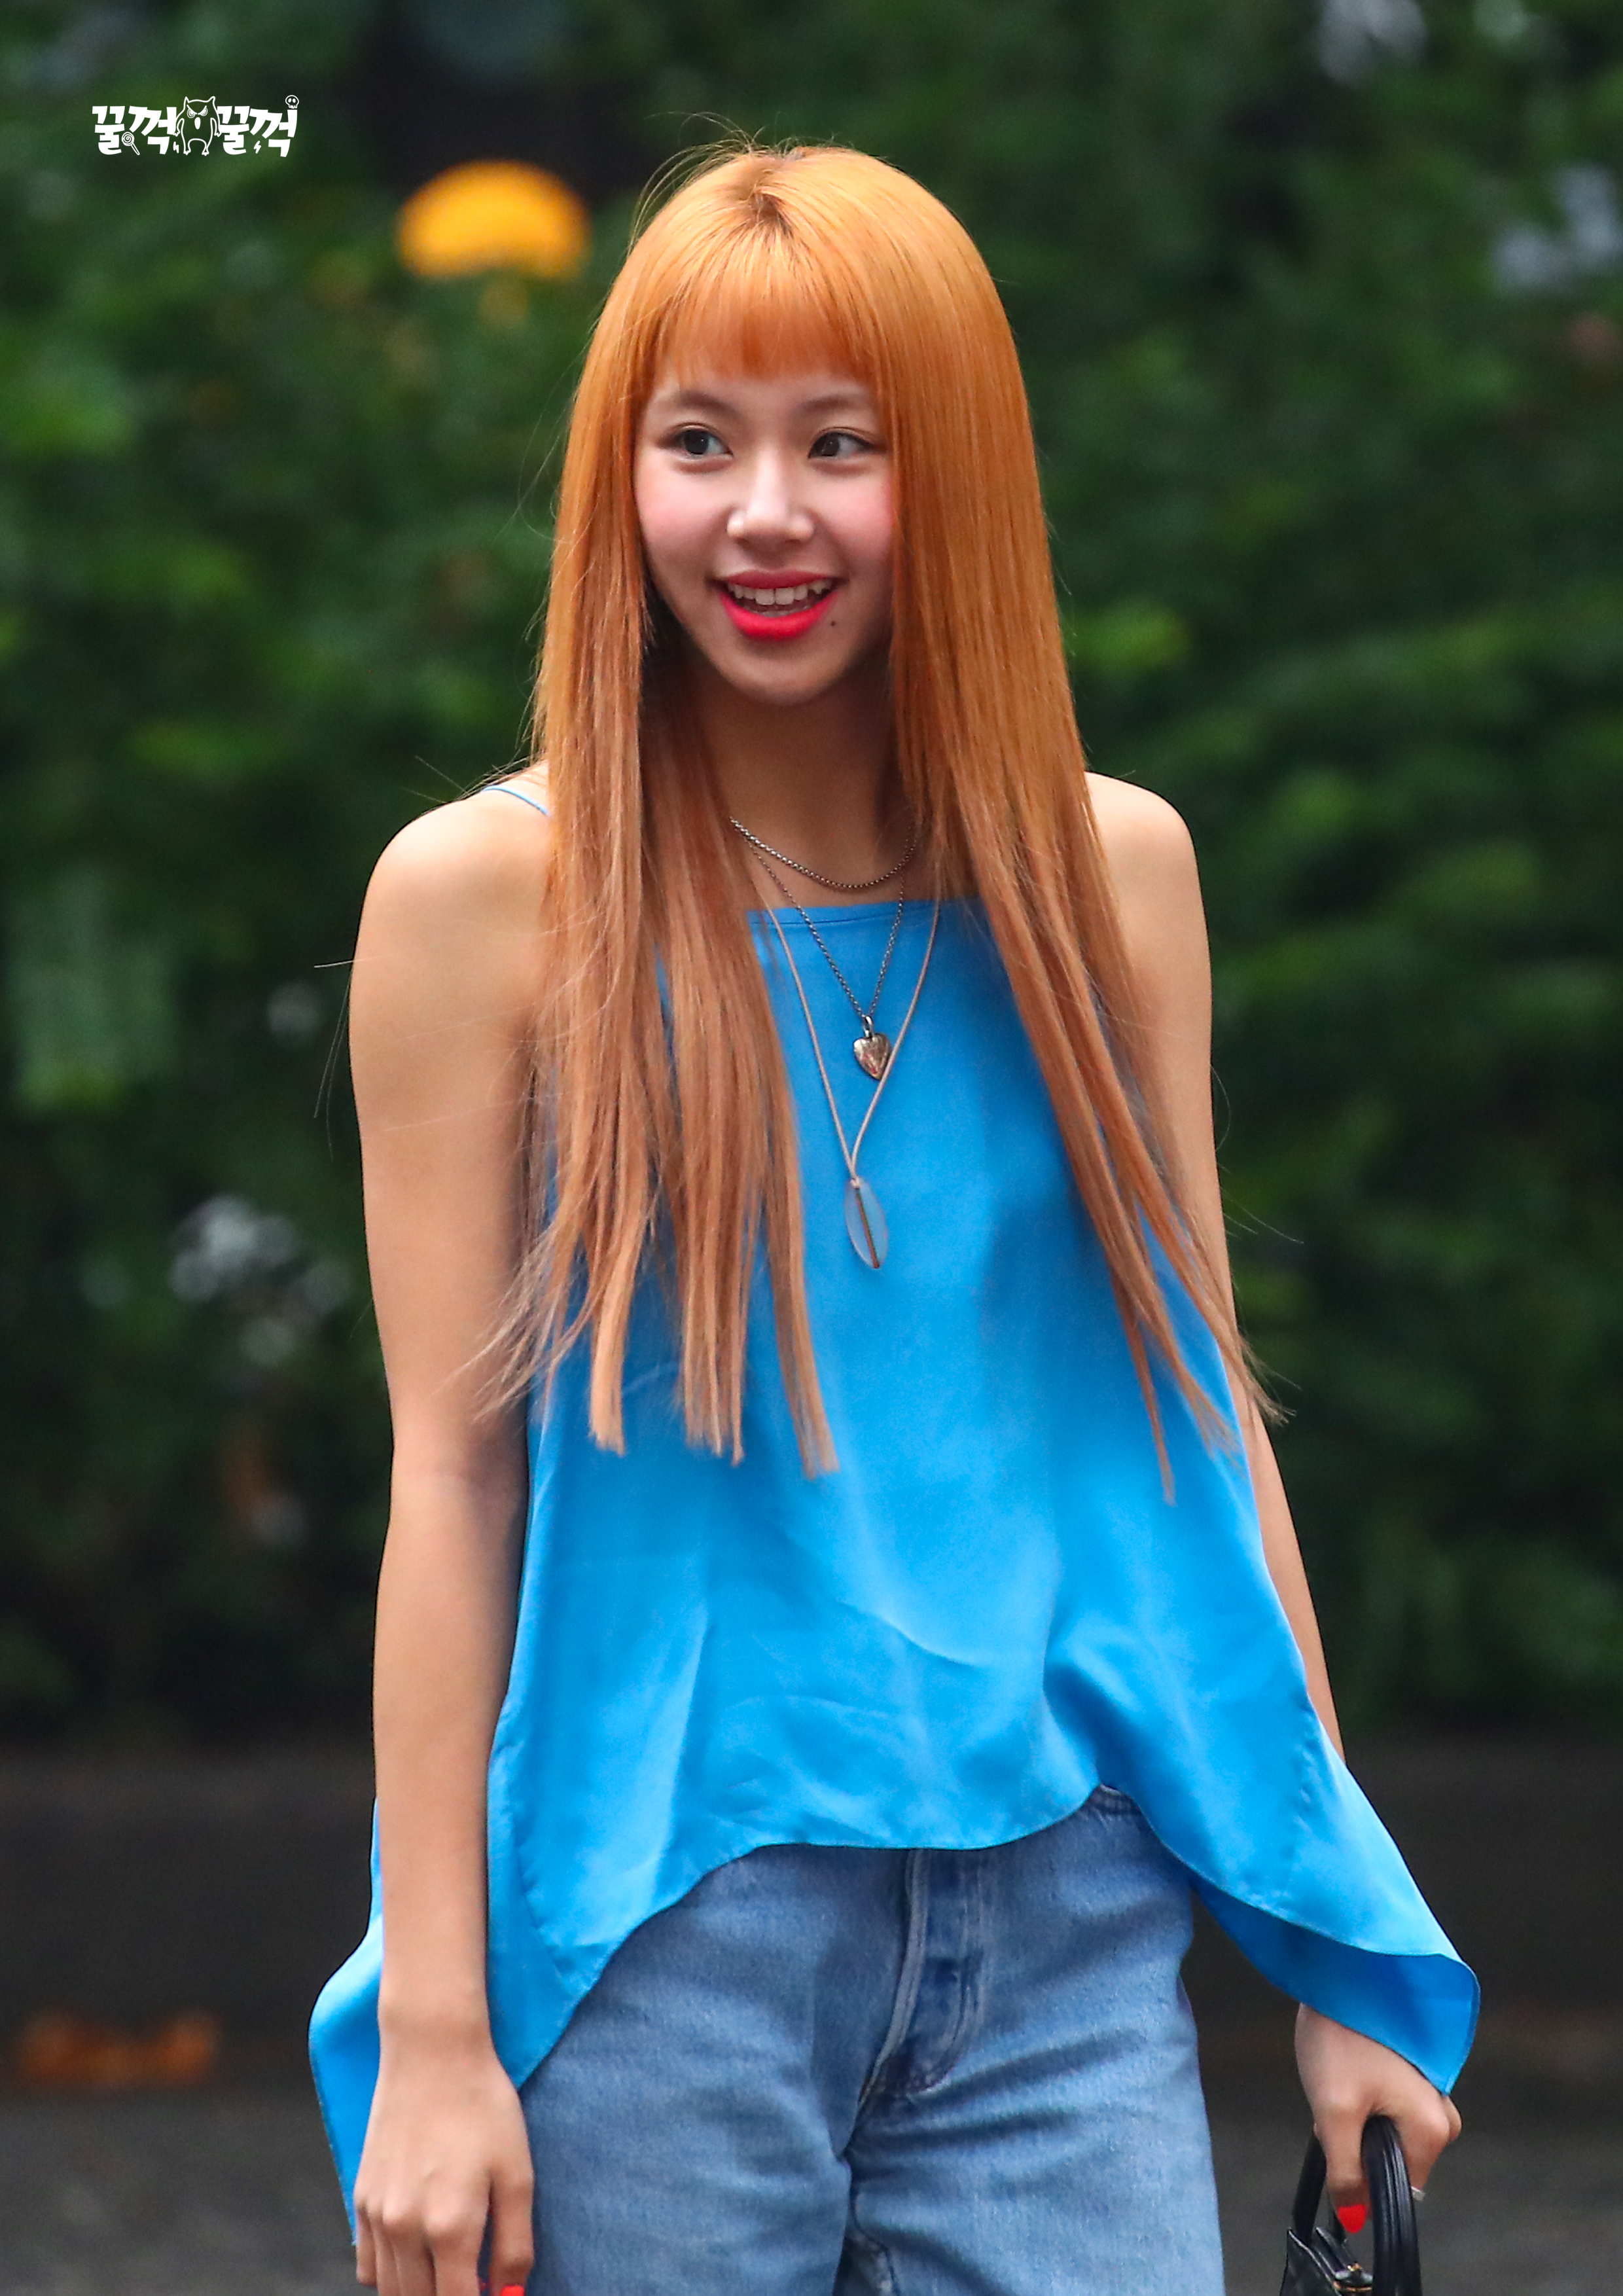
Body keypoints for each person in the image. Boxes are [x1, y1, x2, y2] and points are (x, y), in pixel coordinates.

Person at [311, 145, 1474, 2296]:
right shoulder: (483, 902)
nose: (765, 513)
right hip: (651, 1941)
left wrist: (1343, 1939)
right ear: (619, 478)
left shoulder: (1110, 882)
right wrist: (436, 2039)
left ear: (960, 480)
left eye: (842, 444)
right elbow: (453, 1481)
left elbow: (1201, 1430)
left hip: (1065, 1939)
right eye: (699, 441)